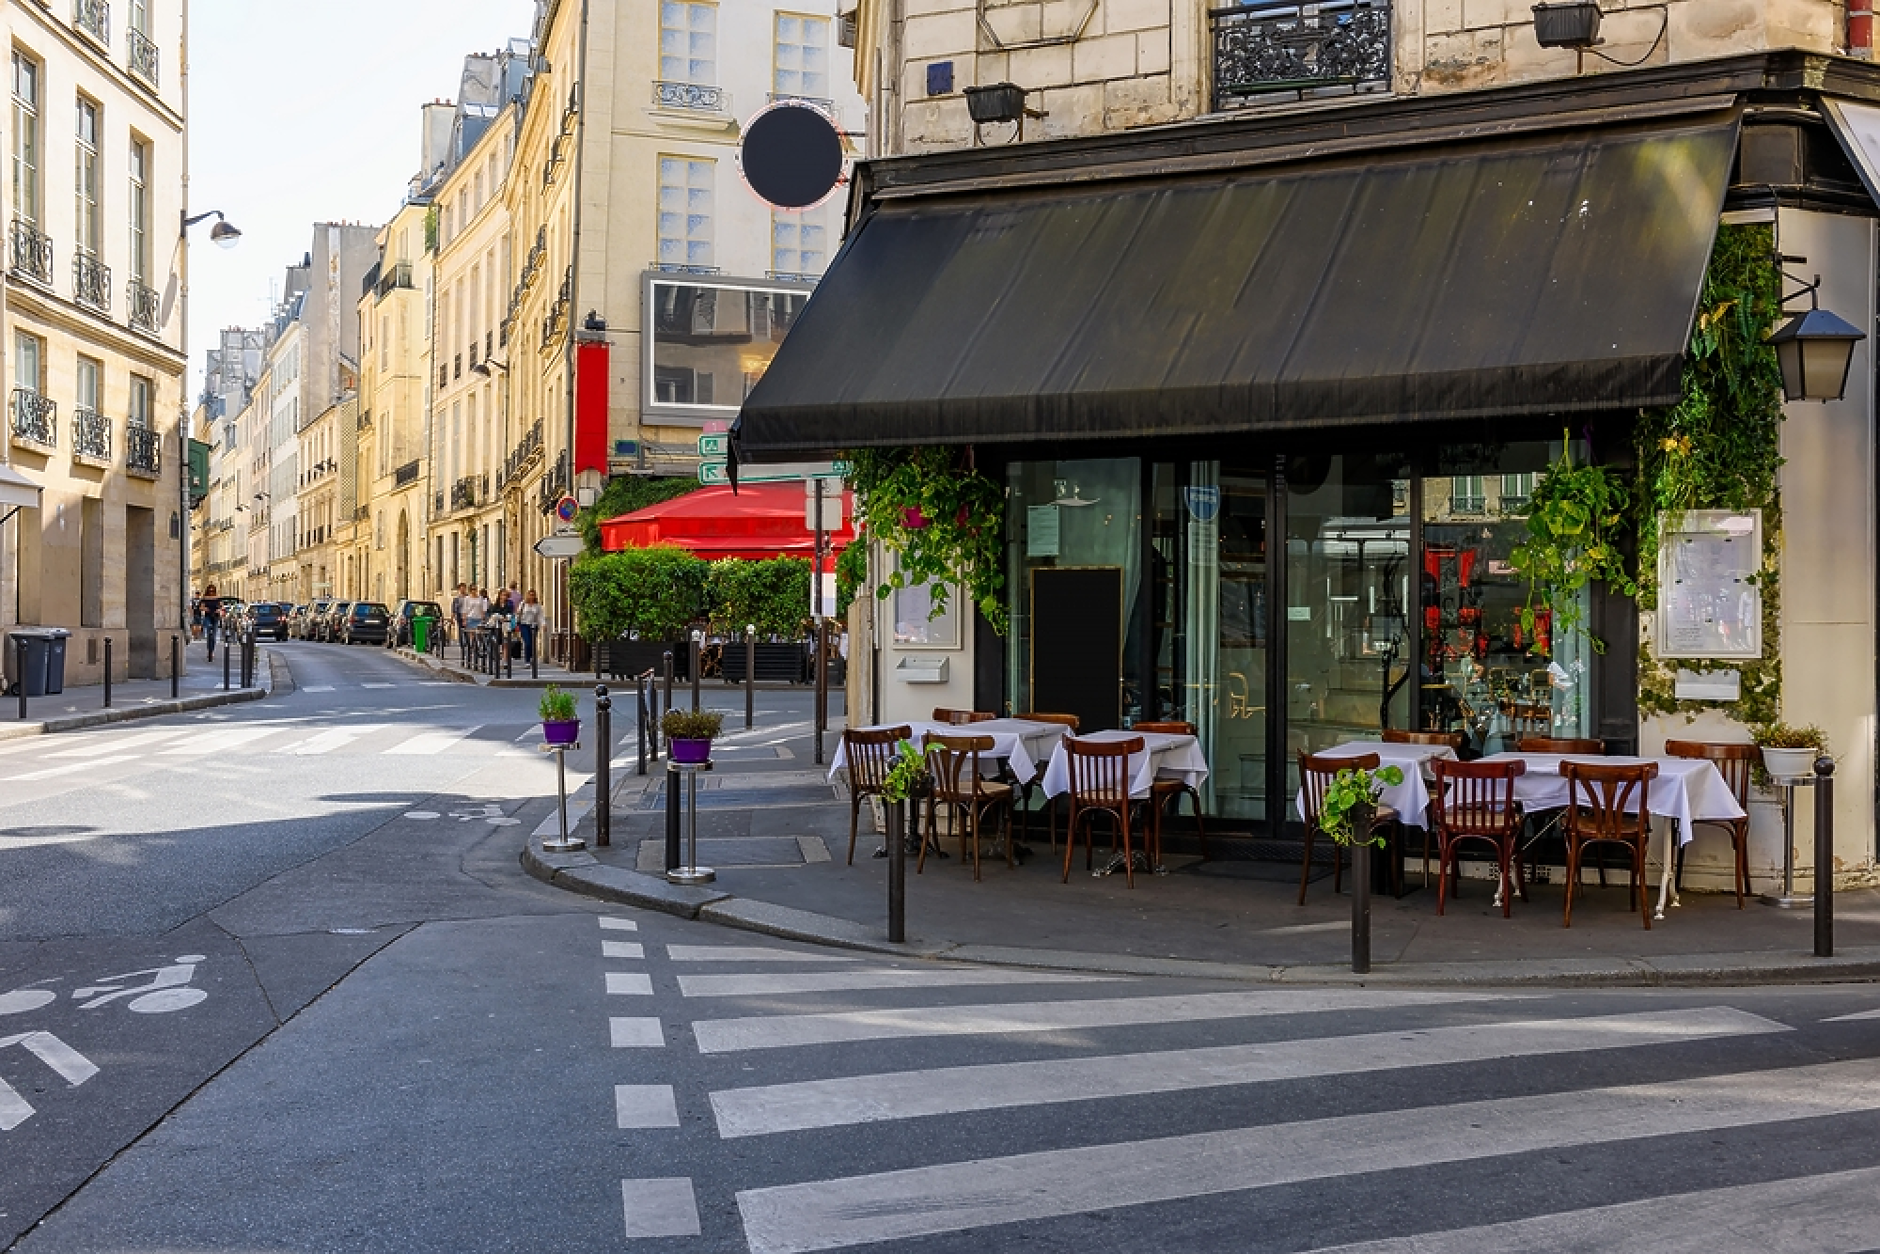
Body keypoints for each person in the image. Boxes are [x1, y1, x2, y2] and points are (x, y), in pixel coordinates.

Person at [517, 589, 544, 665]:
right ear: (527, 595)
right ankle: (527, 660)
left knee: (532, 643)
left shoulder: (537, 605)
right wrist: (518, 614)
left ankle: (532, 657)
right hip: (524, 624)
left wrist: (543, 624)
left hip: (533, 625)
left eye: (533, 595)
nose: (531, 596)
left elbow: (540, 616)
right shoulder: (523, 604)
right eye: (530, 595)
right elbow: (518, 613)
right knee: (527, 642)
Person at [201, 584, 222, 661]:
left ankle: (212, 651)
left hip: (215, 617)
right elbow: (201, 607)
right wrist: (204, 609)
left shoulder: (217, 598)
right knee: (209, 633)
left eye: (212, 590)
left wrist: (219, 610)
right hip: (208, 616)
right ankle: (209, 651)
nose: (211, 592)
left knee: (214, 636)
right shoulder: (205, 598)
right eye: (210, 590)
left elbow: (221, 606)